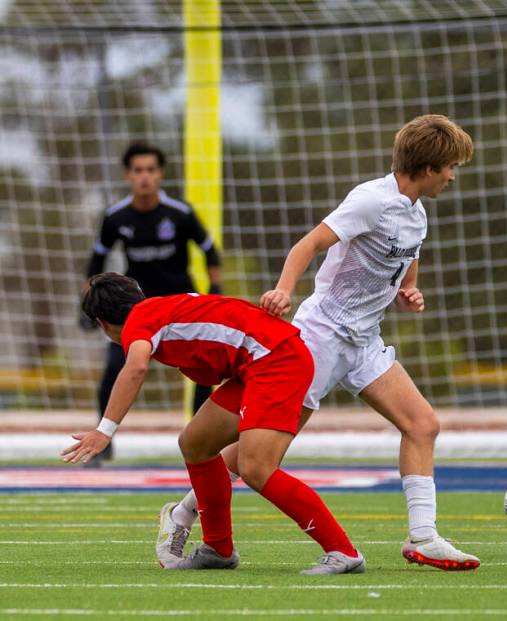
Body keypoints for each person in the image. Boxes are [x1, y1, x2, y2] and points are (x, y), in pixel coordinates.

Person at [156, 114, 480, 571]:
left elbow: (406, 262)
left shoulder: (417, 212)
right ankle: (185, 511)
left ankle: (423, 537)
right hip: (318, 339)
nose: (452, 176)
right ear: (429, 167)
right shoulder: (370, 199)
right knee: (260, 455)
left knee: (422, 424)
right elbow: (306, 245)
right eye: (451, 167)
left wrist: (410, 290)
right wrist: (285, 290)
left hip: (364, 342)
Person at [65, 273, 364, 575]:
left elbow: (136, 367)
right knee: (195, 443)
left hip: (275, 360)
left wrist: (105, 431)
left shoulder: (138, 323)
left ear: (102, 324)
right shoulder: (157, 310)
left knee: (256, 468)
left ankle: (342, 550)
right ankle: (218, 549)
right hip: (260, 362)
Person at [84, 142, 221, 462]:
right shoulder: (115, 217)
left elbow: (210, 251)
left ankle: (201, 438)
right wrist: (89, 304)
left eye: (150, 170)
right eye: (138, 171)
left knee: (207, 371)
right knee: (114, 370)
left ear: (159, 174)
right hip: (131, 311)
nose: (144, 177)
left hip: (180, 311)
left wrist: (215, 288)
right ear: (128, 175)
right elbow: (95, 262)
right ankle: (104, 447)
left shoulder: (181, 213)